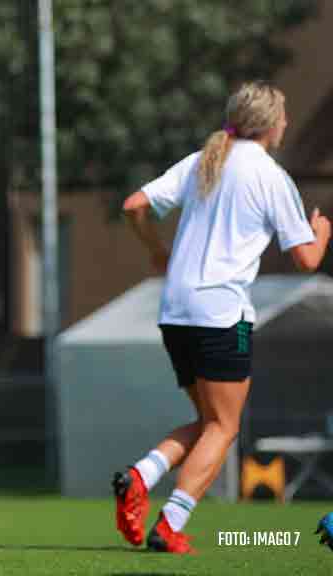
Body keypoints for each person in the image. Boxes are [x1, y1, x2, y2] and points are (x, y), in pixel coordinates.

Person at [115, 81, 330, 554]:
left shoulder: (202, 160)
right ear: (273, 124)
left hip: (175, 309)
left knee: (208, 420)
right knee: (224, 428)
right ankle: (169, 525)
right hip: (221, 313)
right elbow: (307, 260)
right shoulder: (271, 177)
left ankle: (139, 476)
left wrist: (157, 251)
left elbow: (135, 205)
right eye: (285, 117)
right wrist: (322, 230)